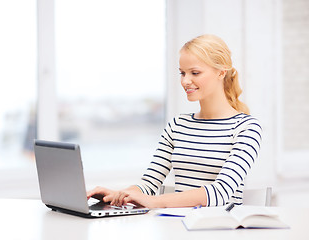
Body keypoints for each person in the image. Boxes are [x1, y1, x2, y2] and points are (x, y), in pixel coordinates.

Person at [87, 34, 262, 209]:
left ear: (221, 72)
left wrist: (155, 202)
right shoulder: (177, 125)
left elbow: (221, 192)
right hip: (177, 227)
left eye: (195, 73)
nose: (185, 81)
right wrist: (119, 194)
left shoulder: (246, 128)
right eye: (182, 73)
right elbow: (149, 183)